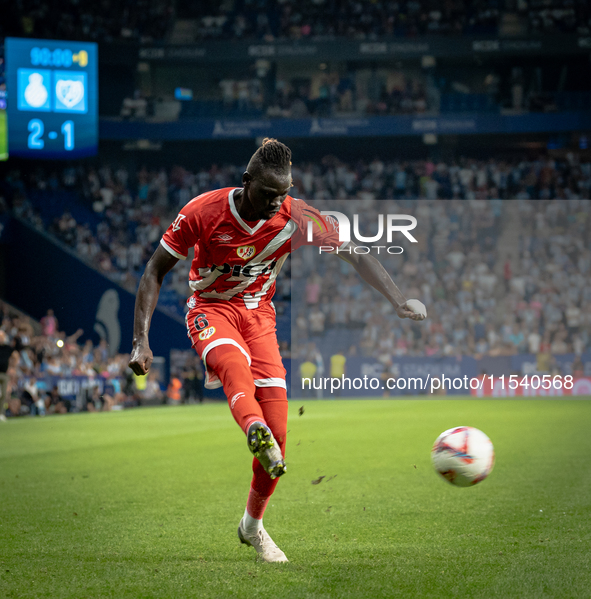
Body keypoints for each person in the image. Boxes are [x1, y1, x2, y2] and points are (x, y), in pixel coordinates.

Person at [128, 138, 426, 563]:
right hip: (211, 309)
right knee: (232, 365)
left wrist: (396, 299)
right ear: (246, 182)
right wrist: (141, 339)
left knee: (280, 440)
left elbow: (356, 254)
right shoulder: (202, 212)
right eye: (268, 193)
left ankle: (252, 526)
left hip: (259, 318)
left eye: (283, 193)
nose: (275, 202)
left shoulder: (296, 215)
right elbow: (155, 269)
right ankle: (252, 428)